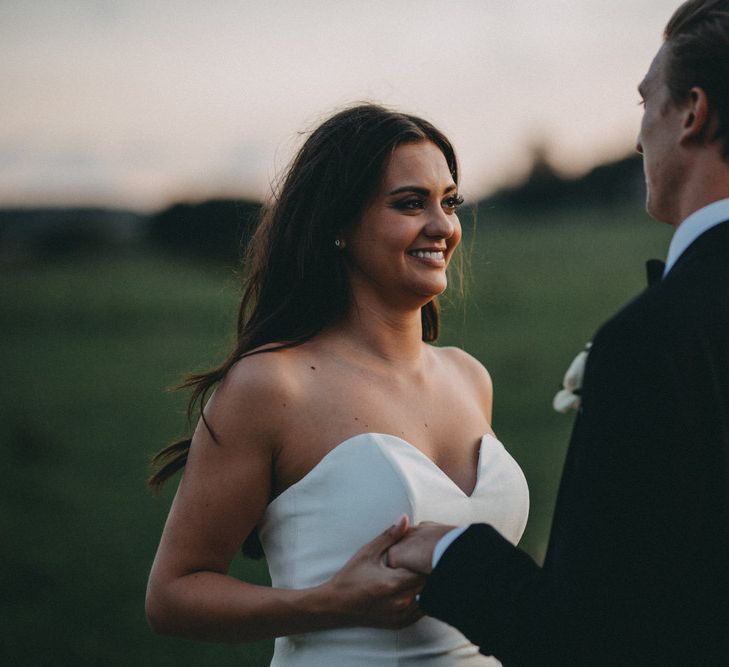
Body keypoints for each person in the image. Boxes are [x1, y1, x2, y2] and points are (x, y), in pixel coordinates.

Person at [386, 1, 729, 664]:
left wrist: (449, 551)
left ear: (691, 112)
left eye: (643, 101)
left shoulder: (651, 341)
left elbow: (580, 638)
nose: (636, 139)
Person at [145, 104, 530, 665]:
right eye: (409, 203)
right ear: (338, 225)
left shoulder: (469, 377)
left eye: (449, 202)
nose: (443, 226)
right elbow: (172, 596)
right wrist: (330, 604)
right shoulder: (272, 386)